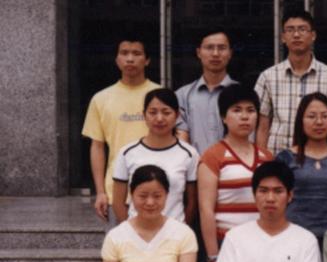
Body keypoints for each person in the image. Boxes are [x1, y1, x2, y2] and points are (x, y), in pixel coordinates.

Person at [82, 34, 161, 222]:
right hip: (115, 191)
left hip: (157, 190)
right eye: (124, 53)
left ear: (147, 60)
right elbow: (97, 147)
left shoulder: (160, 95)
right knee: (119, 241)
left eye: (136, 53)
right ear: (117, 59)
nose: (130, 59)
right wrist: (100, 192)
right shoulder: (101, 99)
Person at [196, 85, 273, 262]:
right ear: (224, 117)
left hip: (262, 243)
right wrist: (213, 256)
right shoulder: (213, 156)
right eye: (237, 110)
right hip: (226, 244)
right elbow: (206, 209)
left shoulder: (267, 157)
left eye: (250, 110)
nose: (245, 117)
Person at [255, 10, 327, 155]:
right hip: (277, 158)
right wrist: (263, 161)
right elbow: (262, 126)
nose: (296, 35)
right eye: (290, 30)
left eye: (302, 29)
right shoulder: (268, 77)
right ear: (283, 37)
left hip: (318, 159)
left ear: (313, 35)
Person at [275, 93, 327, 241]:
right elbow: (277, 203)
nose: (319, 122)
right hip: (293, 239)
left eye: (325, 116)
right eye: (311, 116)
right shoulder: (285, 159)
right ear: (301, 120)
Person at [112, 88, 198, 225]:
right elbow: (117, 202)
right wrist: (132, 230)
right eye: (153, 112)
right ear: (144, 115)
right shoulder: (127, 153)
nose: (159, 118)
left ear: (177, 115)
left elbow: (191, 203)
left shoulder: (189, 154)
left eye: (166, 112)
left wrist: (180, 229)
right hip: (137, 232)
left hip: (175, 232)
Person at [175, 29, 238, 155]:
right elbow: (182, 140)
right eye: (209, 48)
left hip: (234, 165)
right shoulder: (182, 96)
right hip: (195, 165)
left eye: (222, 48)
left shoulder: (241, 94)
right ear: (198, 52)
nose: (215, 53)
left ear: (230, 53)